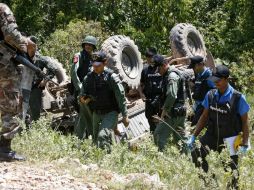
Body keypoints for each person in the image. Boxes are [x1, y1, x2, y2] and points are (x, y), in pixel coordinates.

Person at [187, 65, 250, 188]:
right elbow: (204, 117)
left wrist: (245, 143)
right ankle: (210, 183)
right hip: (212, 135)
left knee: (232, 172)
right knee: (196, 153)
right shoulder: (210, 95)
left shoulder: (238, 98)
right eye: (214, 80)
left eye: (218, 80)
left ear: (227, 79)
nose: (215, 83)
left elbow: (245, 122)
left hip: (231, 138)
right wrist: (193, 136)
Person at [0, 3, 36, 161]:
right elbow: (10, 34)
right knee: (12, 104)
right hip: (4, 65)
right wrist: (26, 42)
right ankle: (4, 148)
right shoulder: (2, 8)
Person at [79, 51, 129, 152]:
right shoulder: (88, 78)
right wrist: (85, 99)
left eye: (98, 65)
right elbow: (82, 95)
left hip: (111, 112)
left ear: (105, 63)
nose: (95, 67)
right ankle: (107, 157)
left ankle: (105, 160)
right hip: (96, 112)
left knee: (102, 136)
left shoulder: (112, 77)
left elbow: (120, 97)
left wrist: (125, 115)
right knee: (96, 138)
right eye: (93, 65)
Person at [153, 55, 187, 151]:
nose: (158, 72)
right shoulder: (168, 74)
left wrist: (164, 110)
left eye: (159, 69)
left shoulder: (172, 76)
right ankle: (189, 159)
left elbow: (172, 95)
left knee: (158, 136)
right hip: (179, 111)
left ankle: (163, 160)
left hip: (172, 112)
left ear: (164, 65)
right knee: (180, 140)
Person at [70, 35, 97, 139]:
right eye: (86, 44)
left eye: (90, 45)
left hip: (91, 91)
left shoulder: (93, 57)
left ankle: (89, 138)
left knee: (91, 114)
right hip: (81, 90)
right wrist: (80, 87)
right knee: (82, 114)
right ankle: (78, 139)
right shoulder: (79, 55)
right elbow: (73, 72)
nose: (88, 46)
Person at [29, 36, 59, 121]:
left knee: (35, 112)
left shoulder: (40, 59)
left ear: (35, 46)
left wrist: (45, 80)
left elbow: (53, 68)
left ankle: (35, 130)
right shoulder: (23, 57)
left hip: (35, 88)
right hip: (22, 87)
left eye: (31, 45)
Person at [139, 47, 163, 133]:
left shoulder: (161, 67)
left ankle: (161, 135)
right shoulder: (145, 70)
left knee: (162, 119)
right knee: (150, 117)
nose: (149, 59)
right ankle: (154, 135)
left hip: (160, 99)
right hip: (149, 99)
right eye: (147, 57)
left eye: (151, 57)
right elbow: (141, 84)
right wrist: (141, 94)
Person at [188, 55, 215, 126]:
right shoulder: (199, 74)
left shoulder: (210, 75)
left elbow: (216, 90)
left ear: (199, 65)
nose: (193, 69)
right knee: (190, 122)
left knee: (195, 126)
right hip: (197, 105)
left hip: (204, 107)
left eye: (194, 67)